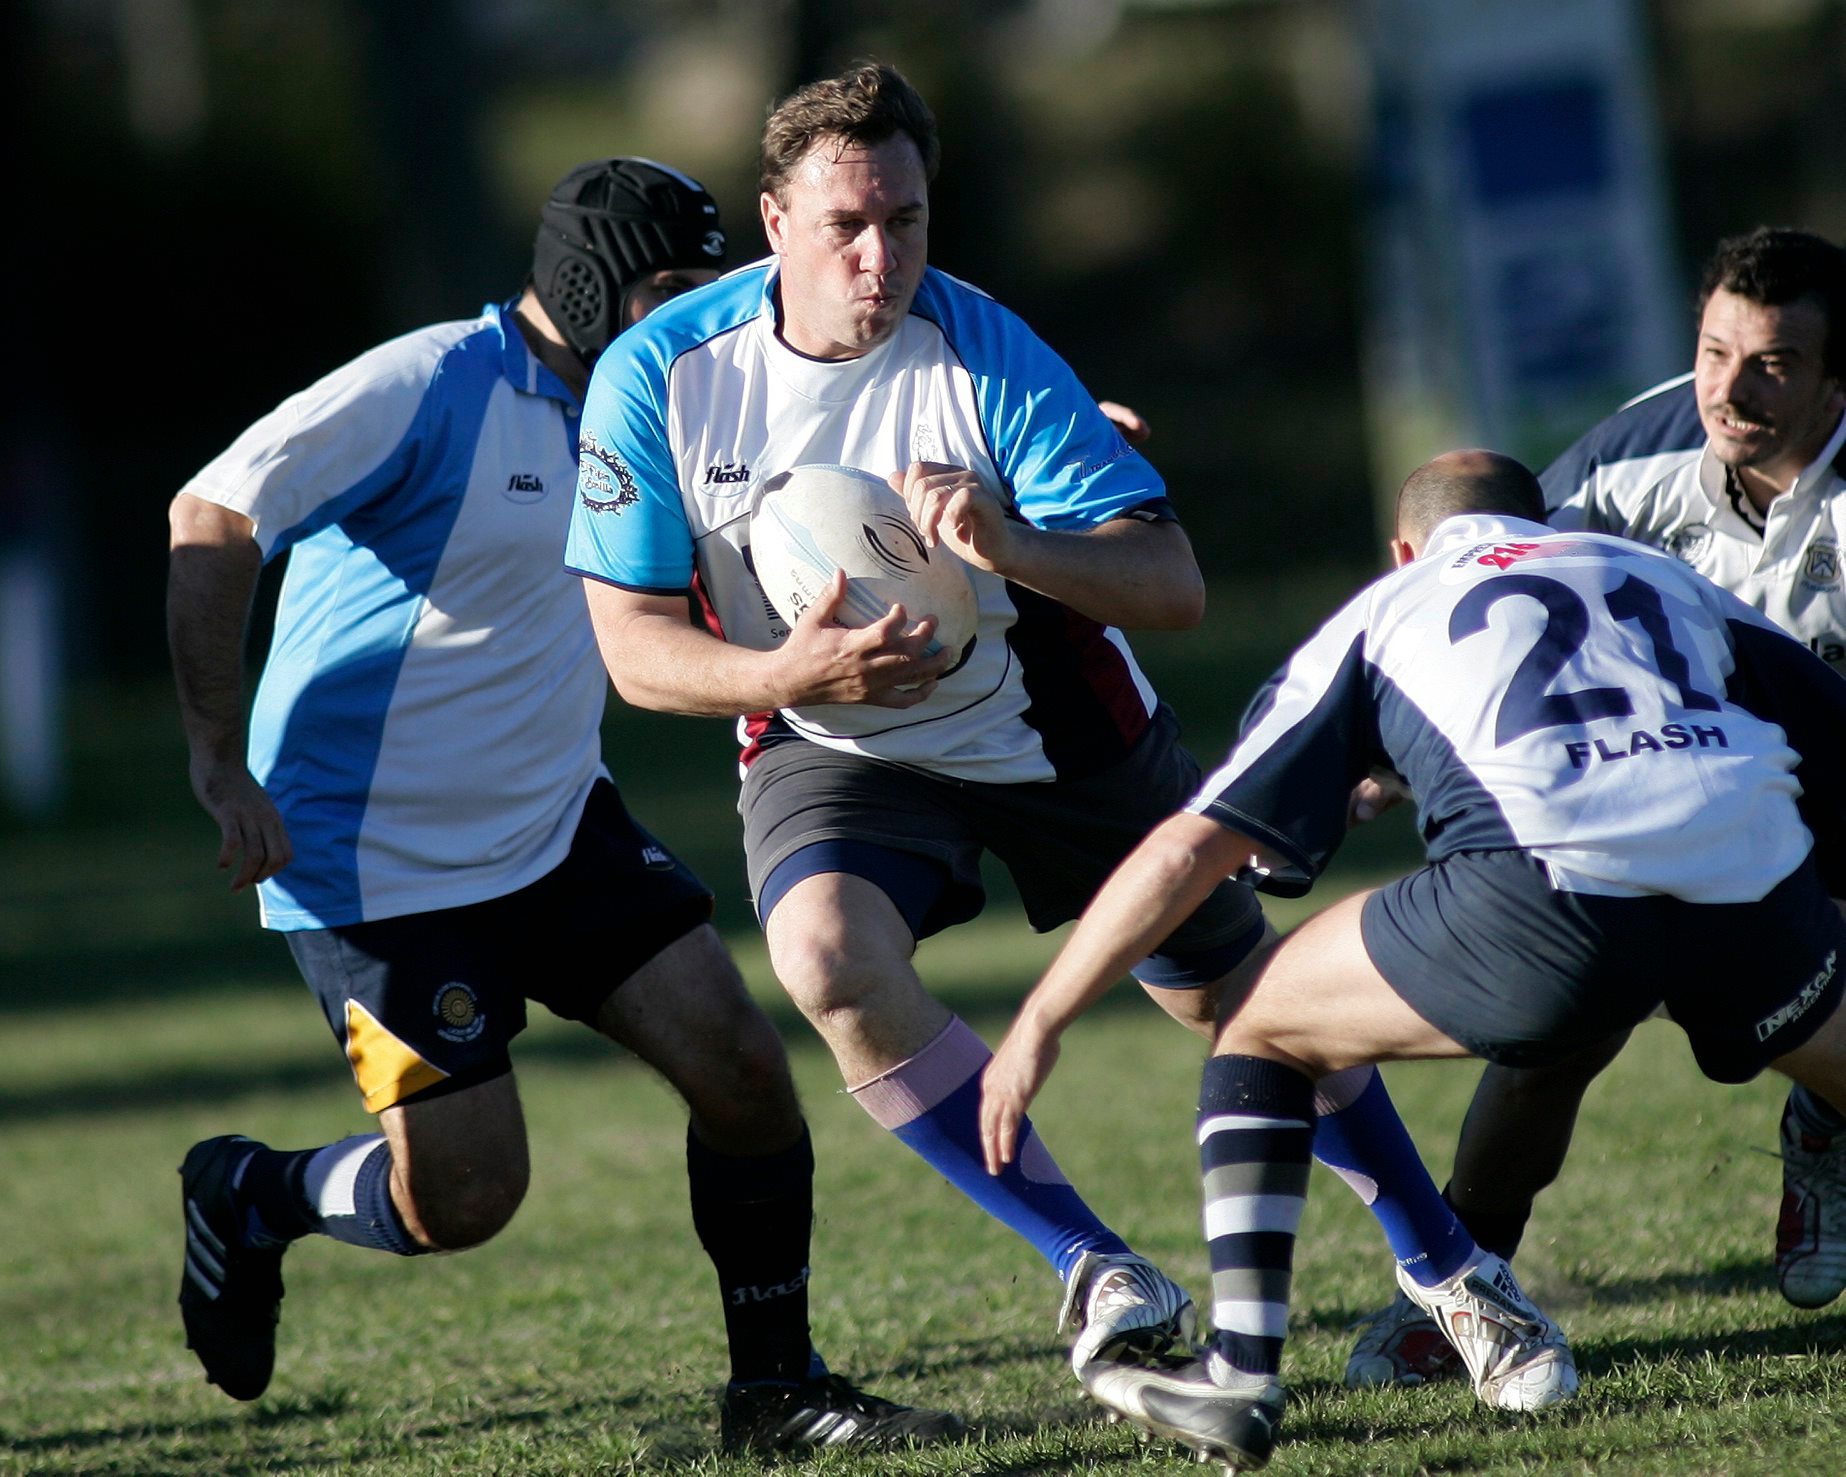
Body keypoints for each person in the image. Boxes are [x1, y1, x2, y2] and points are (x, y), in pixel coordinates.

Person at [559, 60, 1560, 1399]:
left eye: (904, 221)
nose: (878, 255)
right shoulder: (664, 378)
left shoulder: (987, 353)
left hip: (1054, 727)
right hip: (834, 741)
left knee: (1243, 1002)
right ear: (774, 219)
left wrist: (1013, 544)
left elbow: (1171, 585)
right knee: (822, 957)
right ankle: (1094, 1263)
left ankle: (1451, 1273)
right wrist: (784, 673)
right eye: (847, 225)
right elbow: (630, 648)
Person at [165, 156, 965, 1455]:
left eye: (709, 291)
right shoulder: (430, 382)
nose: (695, 317)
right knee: (465, 1198)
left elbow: (847, 466)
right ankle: (255, 1193)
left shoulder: (663, 403)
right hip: (378, 865)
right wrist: (214, 754)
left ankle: (773, 1391)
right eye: (668, 290)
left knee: (749, 1075)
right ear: (591, 287)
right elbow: (211, 512)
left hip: (555, 827)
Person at [980, 449, 1846, 1469]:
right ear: (1548, 522)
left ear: (1402, 549)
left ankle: (1238, 1371)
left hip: (1546, 910)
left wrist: (1039, 1019)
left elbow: (1194, 847)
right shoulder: (1657, 575)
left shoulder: (1387, 607)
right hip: (1752, 895)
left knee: (1259, 1017)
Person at [1343, 228, 1846, 1390]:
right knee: (1553, 1030)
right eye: (1714, 349)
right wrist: (1385, 740)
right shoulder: (1633, 457)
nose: (1727, 388)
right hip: (1657, 785)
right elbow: (1471, 578)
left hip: (1820, 783)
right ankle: (1465, 1283)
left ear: (1835, 379)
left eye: (1772, 363)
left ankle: (1823, 1130)